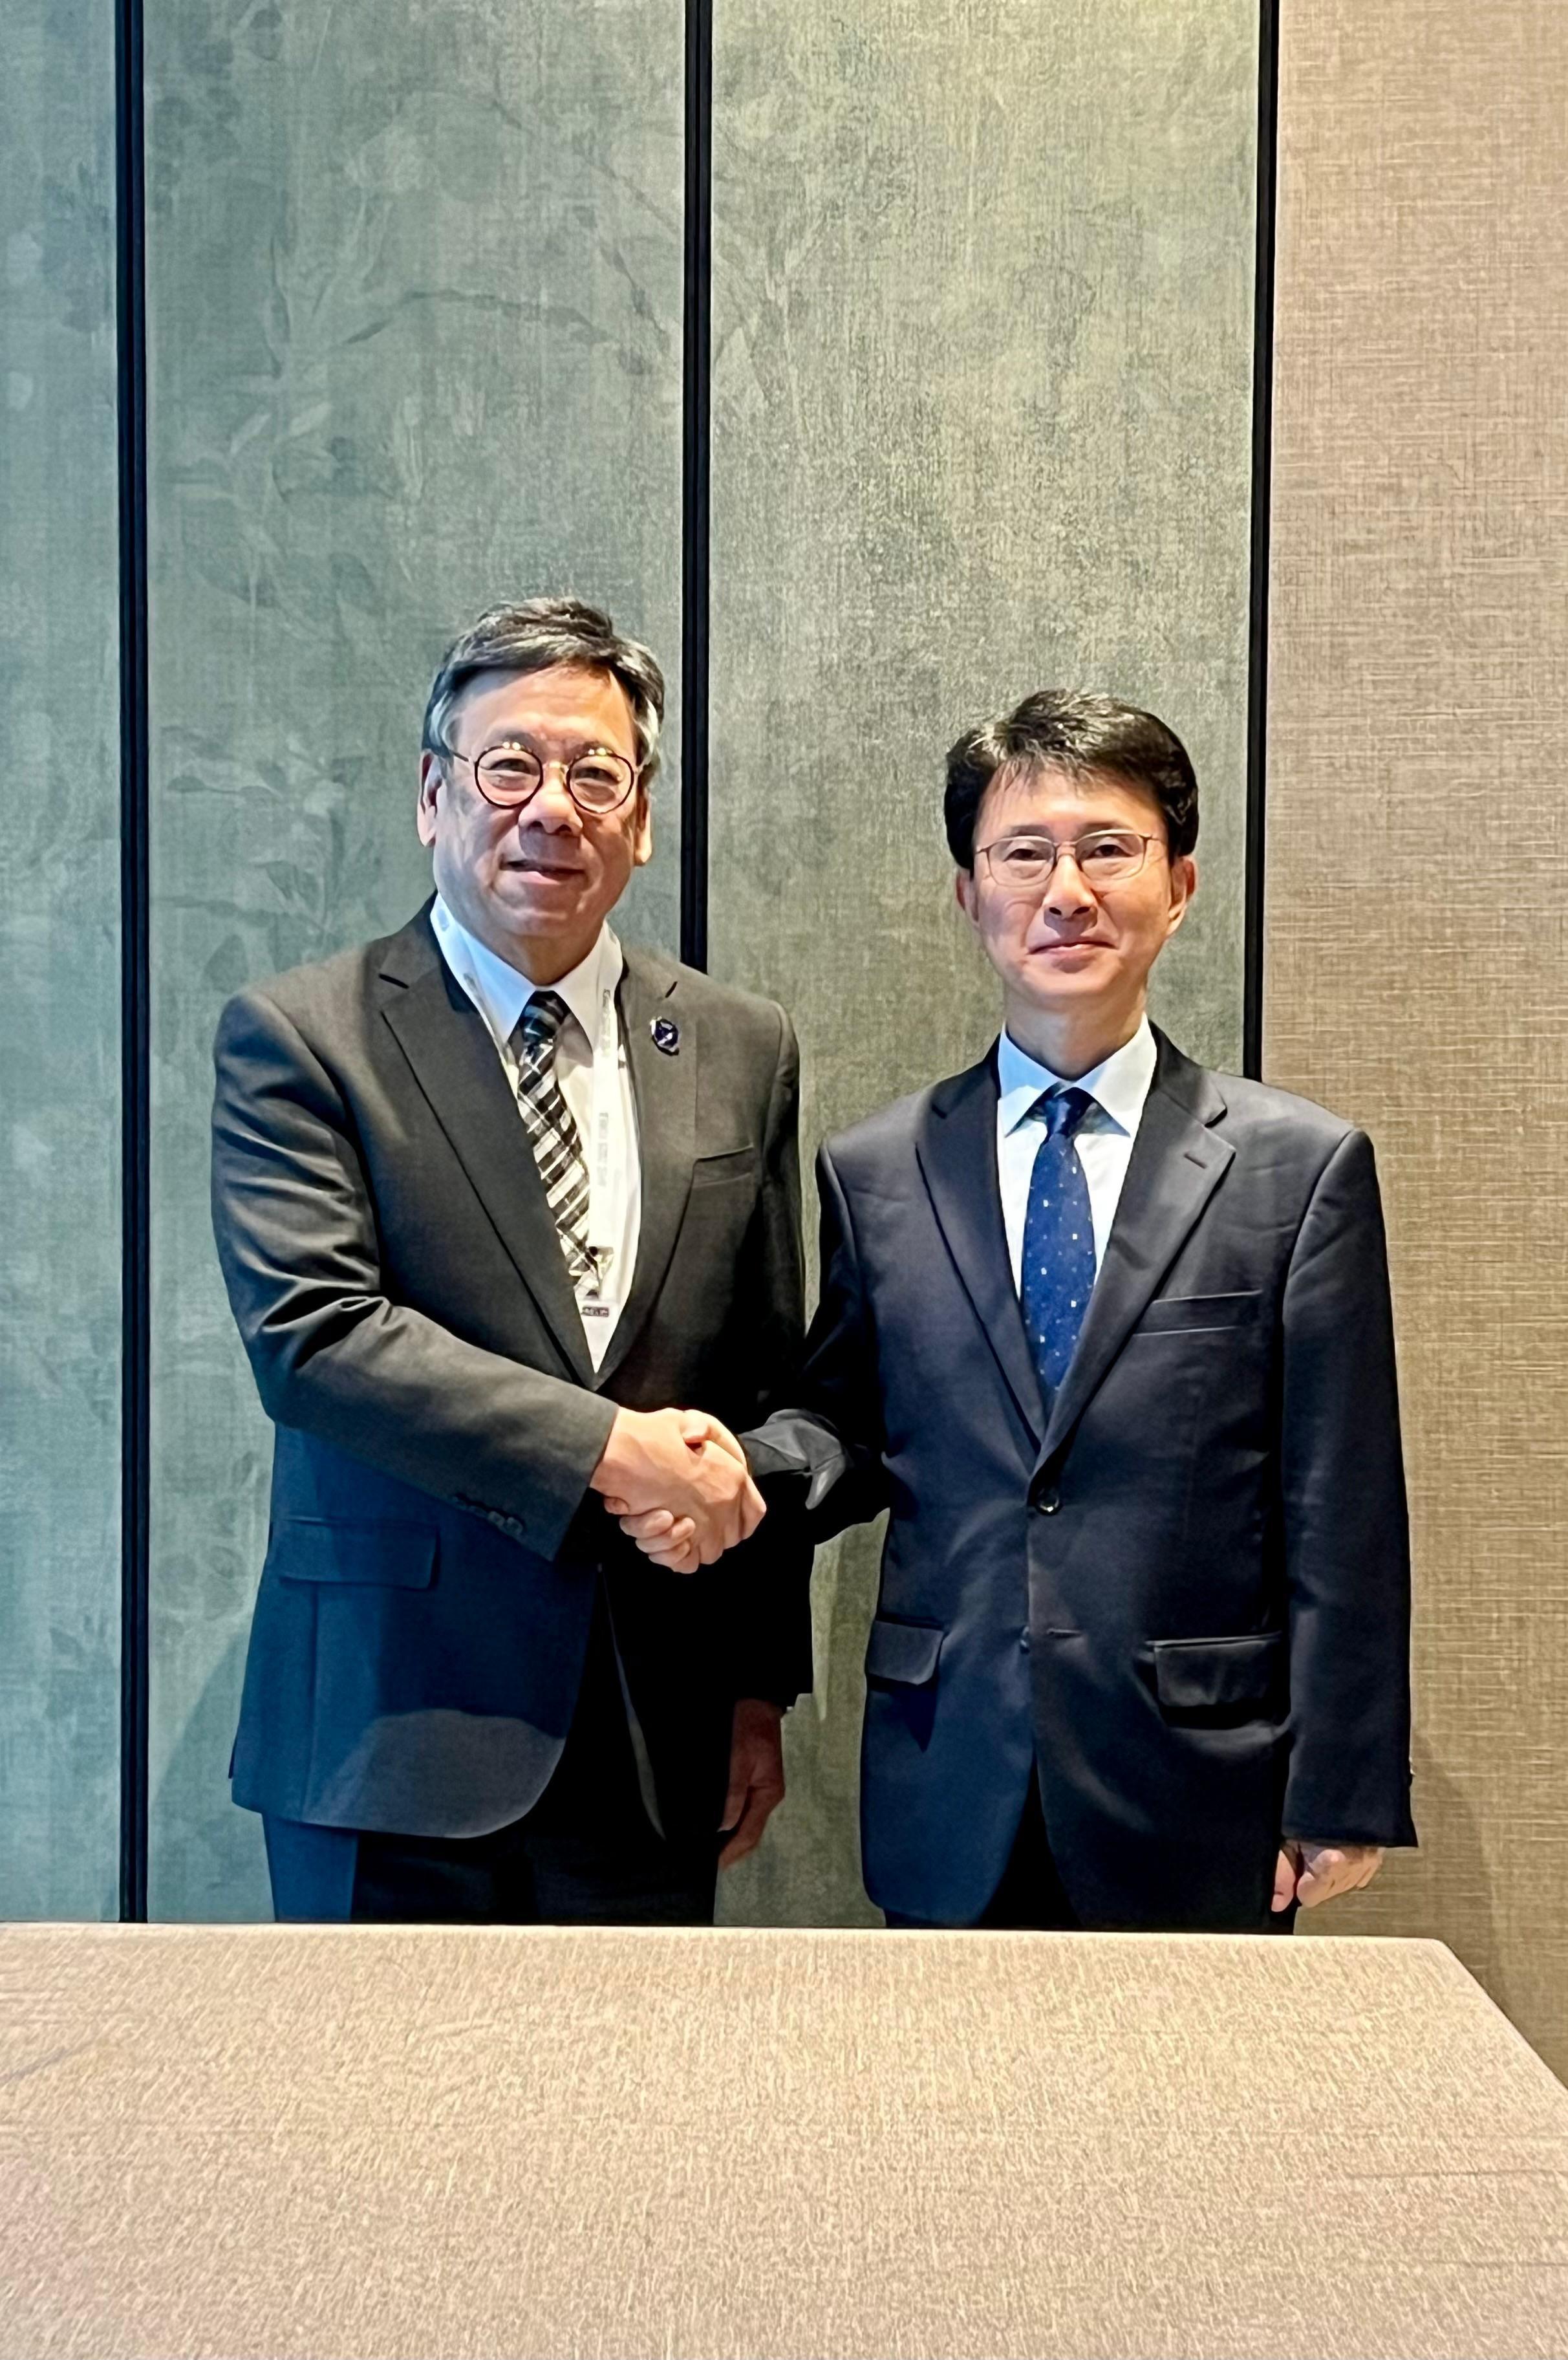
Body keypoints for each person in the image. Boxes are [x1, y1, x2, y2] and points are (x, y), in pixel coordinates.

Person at [615, 691, 1415, 1931]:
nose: (1065, 891)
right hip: (950, 1772)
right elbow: (846, 1425)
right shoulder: (877, 1167)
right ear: (967, 894)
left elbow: (1342, 1503)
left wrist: (1342, 1785)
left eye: (1108, 847)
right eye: (1022, 853)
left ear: (1182, 882)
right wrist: (732, 1473)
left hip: (1200, 1786)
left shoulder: (1294, 1168)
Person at [212, 596, 808, 1925]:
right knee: (370, 2128)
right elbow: (315, 1336)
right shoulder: (304, 1037)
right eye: (510, 766)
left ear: (641, 815)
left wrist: (755, 1689)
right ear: (435, 795)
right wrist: (614, 1447)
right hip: (387, 1732)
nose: (553, 808)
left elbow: (763, 1376)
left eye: (597, 773)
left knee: (618, 2125)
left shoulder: (738, 1044)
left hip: (654, 1737)